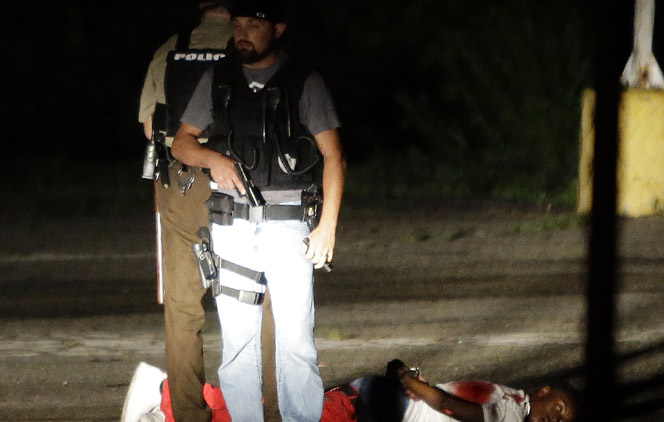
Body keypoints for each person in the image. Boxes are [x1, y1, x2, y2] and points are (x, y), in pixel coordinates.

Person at [171, 0, 346, 420]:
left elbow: (334, 158)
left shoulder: (304, 80)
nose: (243, 32)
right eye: (237, 24)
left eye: (254, 24)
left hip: (289, 229)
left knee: (296, 343)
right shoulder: (218, 78)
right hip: (231, 228)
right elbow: (181, 143)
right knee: (237, 346)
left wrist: (327, 229)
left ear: (279, 28)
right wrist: (213, 159)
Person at [137, 3, 233, 422]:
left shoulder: (170, 48)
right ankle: (265, 405)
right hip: (239, 178)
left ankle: (191, 414)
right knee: (255, 299)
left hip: (181, 182)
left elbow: (149, 126)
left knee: (182, 307)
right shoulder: (255, 45)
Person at [122, 361, 576, 422]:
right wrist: (412, 382)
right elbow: (455, 407)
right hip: (381, 410)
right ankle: (164, 393)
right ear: (545, 390)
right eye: (559, 409)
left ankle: (169, 405)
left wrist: (404, 375)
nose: (556, 420)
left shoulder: (510, 396)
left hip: (382, 402)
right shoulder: (512, 415)